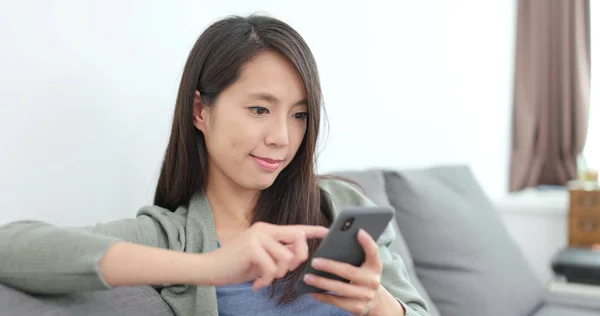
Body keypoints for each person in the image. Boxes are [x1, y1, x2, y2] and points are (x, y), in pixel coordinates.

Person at [0, 14, 430, 316]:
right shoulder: (170, 237)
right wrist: (210, 268)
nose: (283, 137)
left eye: (299, 115)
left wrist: (378, 305)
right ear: (200, 112)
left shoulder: (340, 206)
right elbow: (11, 247)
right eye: (260, 109)